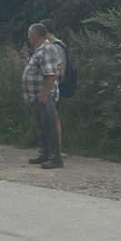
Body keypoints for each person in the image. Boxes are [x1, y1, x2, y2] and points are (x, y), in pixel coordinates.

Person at [24, 23, 63, 169]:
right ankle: (45, 154)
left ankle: (55, 158)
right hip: (38, 95)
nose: (28, 37)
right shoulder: (39, 50)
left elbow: (51, 74)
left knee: (50, 126)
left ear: (35, 35)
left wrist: (44, 94)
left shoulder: (47, 49)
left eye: (29, 34)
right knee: (42, 126)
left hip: (45, 95)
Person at [40, 18, 67, 153]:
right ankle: (50, 148)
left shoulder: (56, 46)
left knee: (54, 118)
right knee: (49, 118)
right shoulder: (49, 45)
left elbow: (59, 70)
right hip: (49, 85)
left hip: (54, 85)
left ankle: (57, 149)